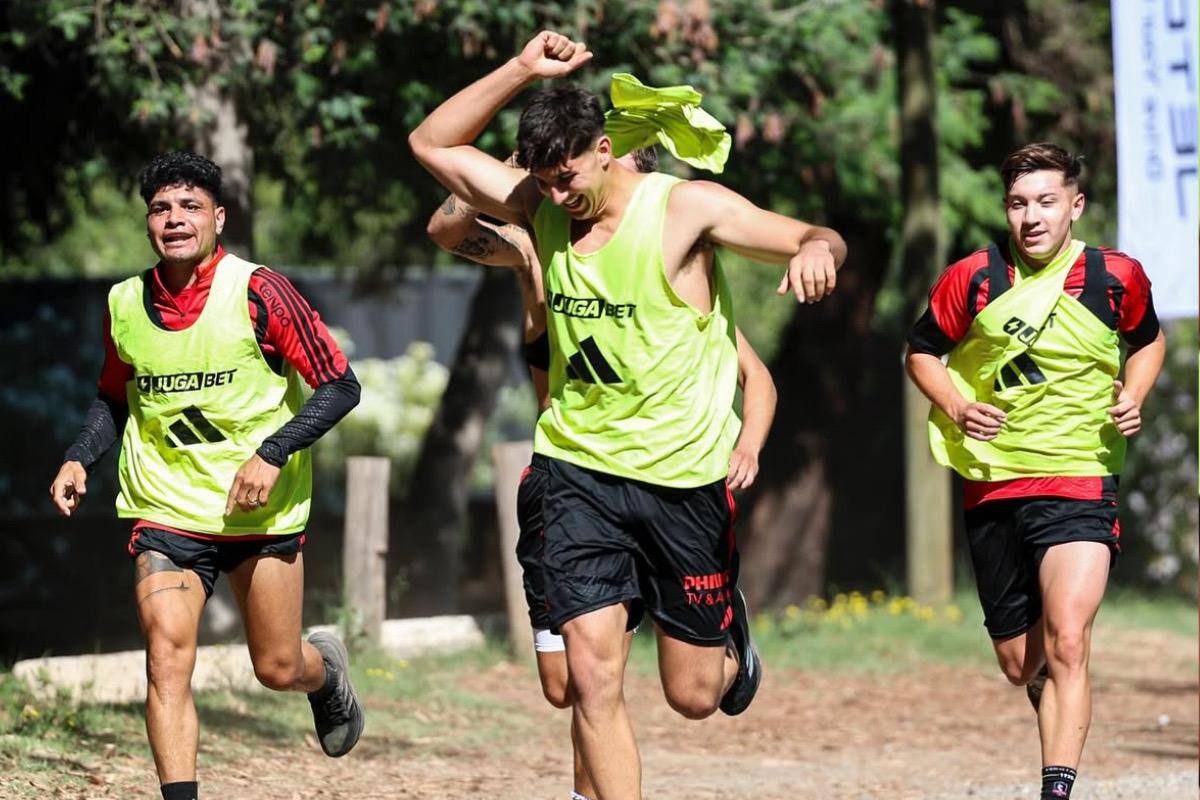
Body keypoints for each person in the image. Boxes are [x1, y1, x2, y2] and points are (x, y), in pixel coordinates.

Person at [410, 32, 846, 798]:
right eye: (542, 181)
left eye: (567, 175)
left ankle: (726, 635)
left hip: (682, 483)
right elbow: (431, 141)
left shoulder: (685, 211)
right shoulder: (535, 207)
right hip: (577, 469)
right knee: (589, 675)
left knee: (693, 695)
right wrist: (520, 69)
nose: (556, 196)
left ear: (605, 149)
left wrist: (818, 253)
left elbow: (812, 234)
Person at [428, 138, 777, 800]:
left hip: (665, 487)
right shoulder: (541, 249)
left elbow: (756, 379)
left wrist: (747, 444)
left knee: (691, 694)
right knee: (571, 682)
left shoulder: (672, 285)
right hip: (570, 483)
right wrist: (506, 165)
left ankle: (729, 647)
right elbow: (447, 227)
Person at [47, 151, 366, 800]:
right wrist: (81, 454)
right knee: (166, 655)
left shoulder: (260, 292)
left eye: (190, 206)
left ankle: (324, 673)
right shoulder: (125, 303)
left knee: (276, 667)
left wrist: (272, 453)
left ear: (219, 218)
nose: (174, 219)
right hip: (165, 507)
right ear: (147, 225)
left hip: (259, 512)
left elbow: (340, 385)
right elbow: (114, 397)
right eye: (161, 208)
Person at [905, 142, 1165, 800]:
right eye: (1019, 204)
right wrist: (959, 406)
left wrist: (1134, 393)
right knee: (1023, 664)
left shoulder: (1115, 278)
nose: (1032, 218)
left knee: (1069, 637)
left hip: (1080, 476)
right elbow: (923, 351)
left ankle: (1056, 789)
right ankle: (1055, 705)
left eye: (1047, 202)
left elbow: (1149, 341)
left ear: (1074, 205)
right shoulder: (976, 278)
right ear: (1006, 209)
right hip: (994, 485)